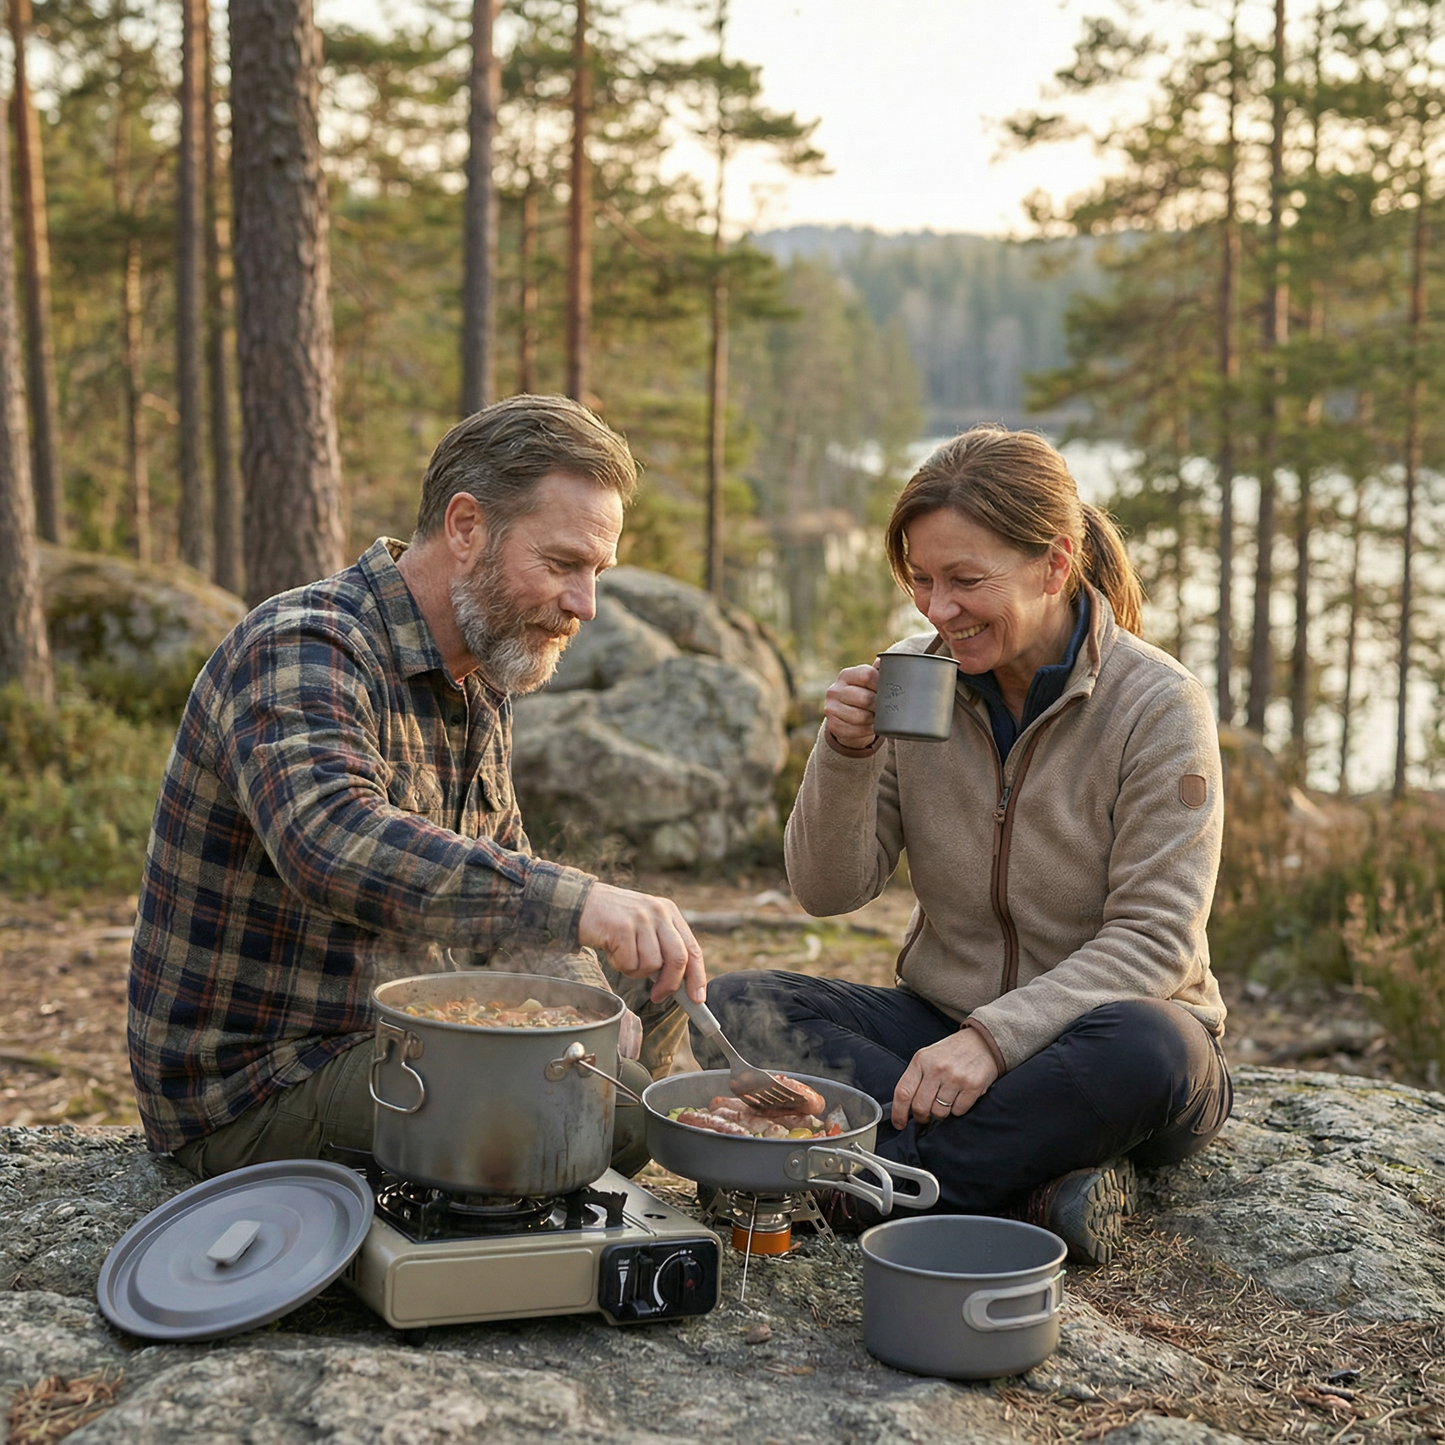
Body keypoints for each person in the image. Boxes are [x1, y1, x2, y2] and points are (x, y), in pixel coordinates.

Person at [129, 394, 706, 1181]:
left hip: (407, 1023)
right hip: (266, 1081)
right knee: (624, 1112)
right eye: (563, 563)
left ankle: (562, 1164)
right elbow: (328, 838)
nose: (586, 605)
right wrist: (577, 902)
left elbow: (501, 884)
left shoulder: (478, 676)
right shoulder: (305, 643)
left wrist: (580, 994)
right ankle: (564, 1163)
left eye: (595, 571)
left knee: (654, 976)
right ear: (466, 528)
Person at [698, 425, 1231, 1263]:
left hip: (1095, 1043)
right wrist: (843, 754)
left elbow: (1156, 937)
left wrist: (993, 1040)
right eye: (920, 580)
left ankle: (864, 1185)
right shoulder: (915, 684)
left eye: (965, 581)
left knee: (1153, 1047)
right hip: (937, 1025)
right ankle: (1024, 1187)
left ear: (1054, 565)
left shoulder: (1157, 706)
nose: (937, 610)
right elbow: (828, 890)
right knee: (737, 1007)